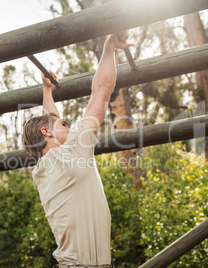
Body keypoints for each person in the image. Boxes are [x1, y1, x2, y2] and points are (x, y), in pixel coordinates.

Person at [22, 31, 133, 267]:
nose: (69, 127)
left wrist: (47, 90)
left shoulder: (41, 172)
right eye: (64, 124)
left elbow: (50, 122)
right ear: (47, 133)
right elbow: (101, 90)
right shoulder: (71, 152)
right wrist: (109, 46)